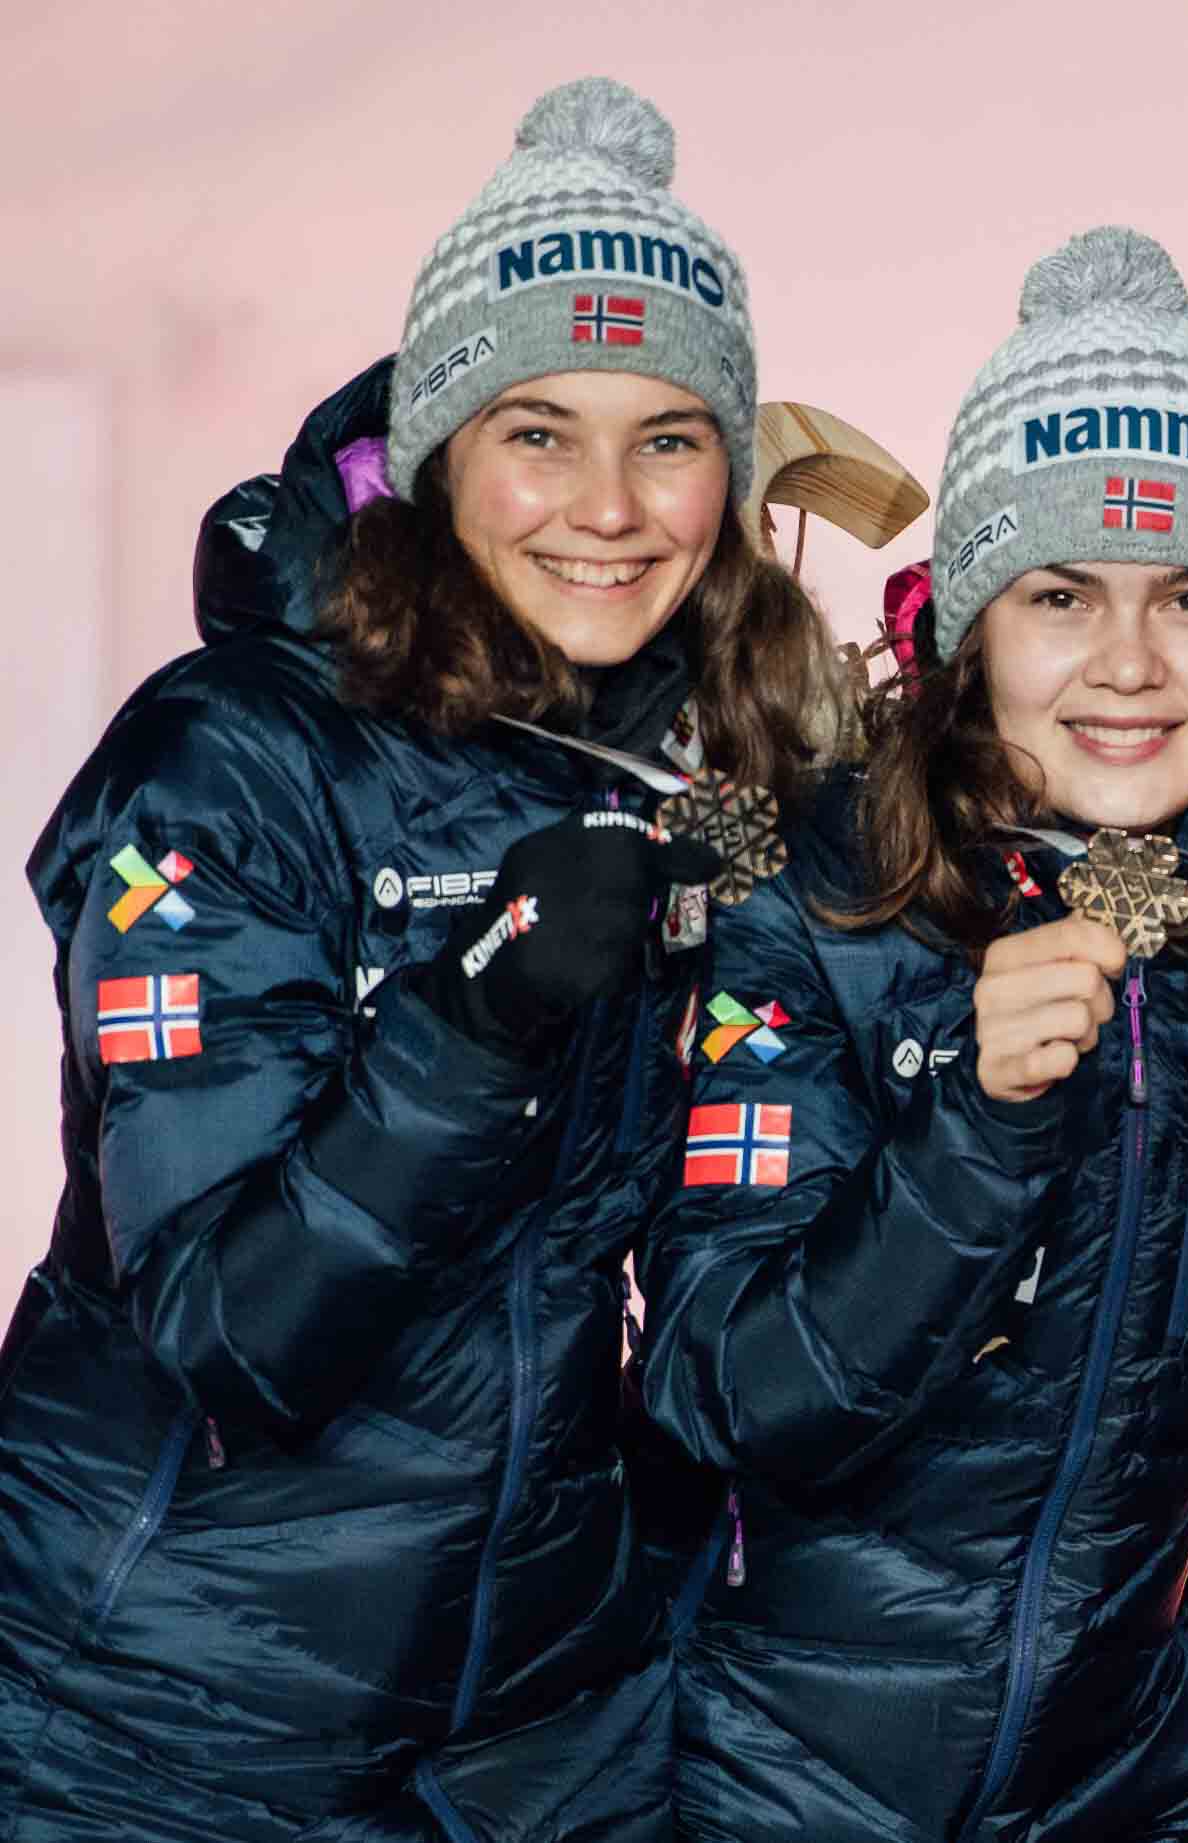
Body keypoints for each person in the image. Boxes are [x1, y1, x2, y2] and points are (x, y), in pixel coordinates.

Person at [0, 78, 830, 1840]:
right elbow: (234, 1335)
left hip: (525, 1744)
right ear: (441, 449)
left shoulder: (713, 757)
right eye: (540, 430)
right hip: (157, 1735)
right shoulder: (231, 763)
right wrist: (490, 1004)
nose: (609, 508)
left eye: (670, 438)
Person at [640, 227, 1188, 1842]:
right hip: (766, 1780)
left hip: (1117, 1782)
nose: (1128, 665)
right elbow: (729, 1397)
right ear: (971, 632)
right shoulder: (825, 903)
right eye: (1060, 595)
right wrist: (979, 1125)